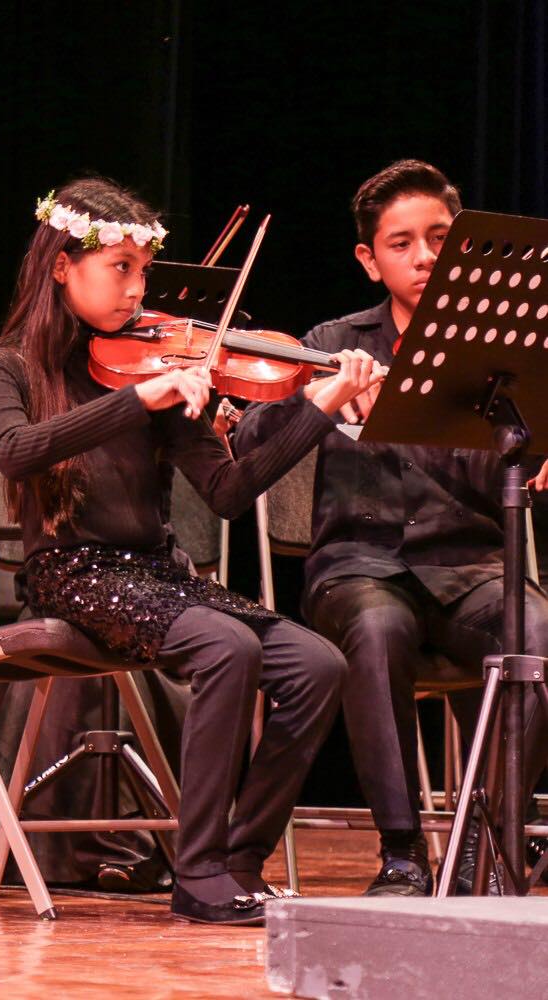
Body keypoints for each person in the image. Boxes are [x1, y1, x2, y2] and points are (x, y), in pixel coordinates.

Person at [0, 177, 383, 924]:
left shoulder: (160, 361)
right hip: (72, 570)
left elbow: (228, 492)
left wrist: (318, 410)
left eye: (142, 271)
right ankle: (194, 876)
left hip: (158, 572)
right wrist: (137, 401)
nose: (136, 289)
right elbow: (14, 450)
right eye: (118, 268)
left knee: (319, 663)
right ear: (62, 266)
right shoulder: (5, 366)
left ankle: (237, 860)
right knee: (228, 649)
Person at [232, 159, 548, 896]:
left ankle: (484, 844)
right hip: (357, 568)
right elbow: (248, 451)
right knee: (376, 635)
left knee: (539, 635)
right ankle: (402, 852)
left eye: (439, 236)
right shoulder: (333, 339)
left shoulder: (499, 357)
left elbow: (493, 480)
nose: (426, 256)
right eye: (401, 243)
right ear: (369, 261)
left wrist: (407, 424)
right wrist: (319, 400)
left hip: (473, 568)